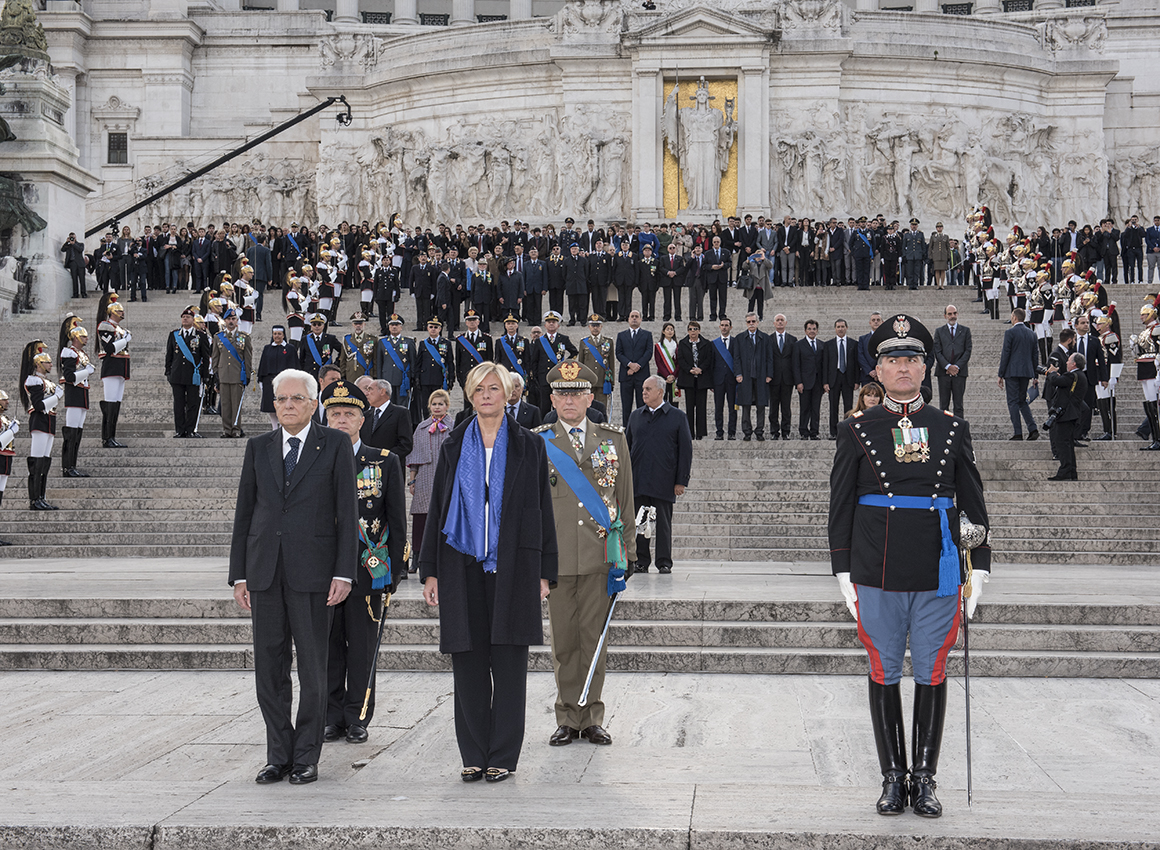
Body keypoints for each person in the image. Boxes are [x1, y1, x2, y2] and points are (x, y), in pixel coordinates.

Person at [828, 313, 991, 819]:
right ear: (876, 370)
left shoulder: (951, 427)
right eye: (893, 359)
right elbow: (841, 505)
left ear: (928, 368)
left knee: (932, 670)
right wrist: (841, 572)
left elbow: (973, 500)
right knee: (882, 669)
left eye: (913, 359)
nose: (903, 367)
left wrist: (979, 567)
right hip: (876, 567)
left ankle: (925, 778)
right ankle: (892, 778)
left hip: (938, 567)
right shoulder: (856, 428)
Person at [419, 362, 558, 783]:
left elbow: (541, 511)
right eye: (479, 388)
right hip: (461, 564)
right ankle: (473, 754)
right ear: (470, 394)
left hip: (514, 564)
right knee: (469, 661)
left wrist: (544, 571)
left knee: (510, 663)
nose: (486, 395)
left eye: (494, 388)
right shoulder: (453, 444)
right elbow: (438, 509)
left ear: (508, 393)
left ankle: (502, 754)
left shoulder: (529, 445)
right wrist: (430, 571)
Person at [229, 368, 358, 786]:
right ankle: (277, 754)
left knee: (314, 671)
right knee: (269, 669)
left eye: (296, 399)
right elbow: (245, 513)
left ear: (313, 403)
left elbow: (346, 513)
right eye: (281, 399)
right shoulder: (258, 447)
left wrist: (344, 571)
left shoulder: (334, 444)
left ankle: (306, 755)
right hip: (264, 573)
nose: (287, 405)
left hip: (315, 575)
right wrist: (239, 575)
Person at [536, 360, 636, 747]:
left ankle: (591, 716)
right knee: (564, 642)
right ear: (552, 399)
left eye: (577, 393)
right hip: (558, 557)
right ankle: (566, 716)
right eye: (562, 393)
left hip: (600, 556)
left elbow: (624, 499)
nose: (569, 400)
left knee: (594, 639)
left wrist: (625, 552)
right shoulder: (539, 440)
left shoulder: (613, 440)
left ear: (590, 397)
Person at [317, 380, 406, 745]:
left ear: (362, 418)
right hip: (322, 572)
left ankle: (358, 715)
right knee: (328, 647)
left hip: (368, 571)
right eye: (335, 413)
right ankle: (330, 716)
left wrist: (394, 574)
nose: (341, 419)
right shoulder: (313, 460)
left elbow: (397, 521)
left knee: (363, 647)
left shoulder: (384, 461)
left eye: (348, 413)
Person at [627, 375, 692, 574]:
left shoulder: (677, 416)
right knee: (640, 522)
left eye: (648, 389)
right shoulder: (636, 416)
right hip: (639, 479)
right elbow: (627, 447)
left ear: (660, 392)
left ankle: (664, 561)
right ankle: (641, 560)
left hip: (664, 480)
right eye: (643, 389)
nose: (643, 392)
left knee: (663, 525)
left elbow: (686, 451)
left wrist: (681, 481)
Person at [408, 388, 453, 565]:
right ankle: (417, 557)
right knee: (420, 517)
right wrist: (412, 480)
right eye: (434, 404)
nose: (437, 407)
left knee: (444, 515)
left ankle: (442, 555)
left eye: (440, 404)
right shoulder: (421, 427)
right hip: (425, 476)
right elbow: (414, 456)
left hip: (445, 475)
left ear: (447, 406)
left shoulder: (453, 427)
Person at [20, 341, 63, 510]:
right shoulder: (33, 381)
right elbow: (38, 405)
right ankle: (34, 499)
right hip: (39, 421)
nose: (51, 365)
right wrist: (56, 397)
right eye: (48, 362)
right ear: (39, 364)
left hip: (50, 421)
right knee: (37, 461)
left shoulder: (46, 381)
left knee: (45, 462)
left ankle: (41, 496)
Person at [165, 306, 212, 439]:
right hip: (177, 374)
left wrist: (206, 375)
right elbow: (169, 355)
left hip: (193, 375)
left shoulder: (200, 336)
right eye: (183, 317)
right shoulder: (174, 335)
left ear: (193, 320)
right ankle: (180, 430)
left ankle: (191, 430)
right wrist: (168, 371)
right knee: (178, 404)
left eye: (188, 317)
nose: (185, 319)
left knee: (193, 403)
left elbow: (205, 356)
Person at [57, 316, 95, 477]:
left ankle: (72, 464)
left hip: (82, 394)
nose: (87, 338)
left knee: (78, 432)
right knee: (71, 432)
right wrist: (87, 371)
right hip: (74, 394)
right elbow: (70, 376)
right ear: (76, 337)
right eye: (84, 336)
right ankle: (67, 466)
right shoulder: (69, 353)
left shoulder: (81, 353)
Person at [997, 308, 1040, 441]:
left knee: (1013, 402)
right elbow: (1035, 355)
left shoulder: (1010, 332)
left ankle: (1018, 432)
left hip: (1012, 371)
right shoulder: (1031, 334)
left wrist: (1000, 374)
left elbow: (1006, 353)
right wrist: (1035, 376)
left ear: (1015, 318)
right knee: (1022, 401)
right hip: (1027, 372)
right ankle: (1032, 428)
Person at [1045, 353, 1088, 481]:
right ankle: (1071, 471)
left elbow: (1055, 381)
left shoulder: (1073, 375)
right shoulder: (1079, 376)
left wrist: (1051, 373)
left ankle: (1064, 470)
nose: (1067, 363)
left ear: (1074, 364)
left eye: (1069, 361)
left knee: (1062, 443)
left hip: (1066, 414)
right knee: (1068, 443)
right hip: (1072, 414)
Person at [212, 309, 253, 439]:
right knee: (225, 404)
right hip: (223, 375)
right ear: (225, 321)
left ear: (237, 321)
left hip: (237, 375)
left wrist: (247, 375)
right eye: (228, 319)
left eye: (233, 319)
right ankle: (226, 429)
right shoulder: (218, 337)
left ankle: (236, 429)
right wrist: (216, 375)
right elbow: (215, 358)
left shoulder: (244, 337)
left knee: (236, 404)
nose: (231, 321)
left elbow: (248, 357)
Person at [96, 295, 131, 449]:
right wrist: (125, 340)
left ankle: (112, 436)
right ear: (112, 312)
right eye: (119, 310)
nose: (122, 313)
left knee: (116, 404)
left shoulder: (120, 329)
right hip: (111, 368)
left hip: (121, 368)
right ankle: (106, 437)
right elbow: (109, 348)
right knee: (110, 403)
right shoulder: (105, 326)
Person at [734, 313, 773, 441]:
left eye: (753, 321)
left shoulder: (765, 338)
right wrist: (738, 374)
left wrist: (769, 374)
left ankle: (760, 431)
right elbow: (737, 358)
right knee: (746, 405)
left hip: (761, 376)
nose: (751, 323)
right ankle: (747, 432)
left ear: (757, 322)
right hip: (745, 376)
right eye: (748, 321)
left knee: (761, 405)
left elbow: (769, 358)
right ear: (746, 323)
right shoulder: (740, 338)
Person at [355, 376, 413, 456]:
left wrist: (384, 456)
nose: (367, 393)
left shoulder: (400, 413)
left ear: (382, 392)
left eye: (370, 389)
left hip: (390, 465)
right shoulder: (366, 415)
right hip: (366, 465)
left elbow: (405, 445)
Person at [932, 305, 971, 419]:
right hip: (943, 373)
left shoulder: (965, 331)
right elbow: (937, 351)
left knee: (958, 405)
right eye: (950, 314)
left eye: (954, 313)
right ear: (945, 316)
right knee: (944, 406)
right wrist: (948, 366)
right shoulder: (939, 331)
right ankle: (944, 432)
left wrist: (957, 366)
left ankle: (959, 433)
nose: (952, 316)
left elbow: (968, 350)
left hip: (960, 372)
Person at [257, 325, 299, 430]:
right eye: (275, 334)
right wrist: (261, 381)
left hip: (285, 382)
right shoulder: (267, 348)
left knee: (284, 405)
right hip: (269, 382)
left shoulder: (290, 348)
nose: (277, 336)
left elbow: (295, 366)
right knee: (271, 406)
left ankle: (283, 426)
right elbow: (263, 365)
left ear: (283, 335)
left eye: (279, 334)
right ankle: (274, 427)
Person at [677, 321, 713, 440]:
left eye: (695, 329)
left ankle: (700, 433)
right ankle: (690, 433)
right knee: (689, 408)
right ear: (688, 331)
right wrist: (690, 370)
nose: (693, 331)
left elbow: (709, 358)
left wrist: (700, 369)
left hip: (702, 379)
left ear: (699, 330)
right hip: (688, 380)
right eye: (691, 329)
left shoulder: (706, 343)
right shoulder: (682, 343)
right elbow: (680, 359)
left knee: (701, 408)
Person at [615, 311, 652, 426]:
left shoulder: (647, 334)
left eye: (637, 317)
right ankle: (626, 431)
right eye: (632, 317)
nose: (634, 319)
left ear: (641, 319)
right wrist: (630, 364)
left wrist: (637, 366)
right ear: (628, 320)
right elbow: (619, 353)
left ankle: (642, 428)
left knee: (642, 405)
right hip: (626, 375)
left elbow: (649, 352)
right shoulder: (621, 335)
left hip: (642, 376)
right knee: (626, 406)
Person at [823, 318, 858, 439]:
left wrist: (857, 381)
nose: (840, 329)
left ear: (846, 328)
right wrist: (825, 382)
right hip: (834, 378)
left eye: (843, 326)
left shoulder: (854, 344)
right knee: (833, 406)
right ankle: (833, 432)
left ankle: (848, 432)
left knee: (848, 407)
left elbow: (856, 364)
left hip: (848, 378)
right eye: (838, 327)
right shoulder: (828, 344)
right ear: (835, 329)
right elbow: (825, 364)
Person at [577, 314, 615, 415]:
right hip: (588, 382)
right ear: (589, 327)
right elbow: (581, 363)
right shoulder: (584, 342)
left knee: (602, 408)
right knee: (588, 408)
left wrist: (612, 381)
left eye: (597, 325)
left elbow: (611, 363)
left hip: (603, 380)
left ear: (601, 327)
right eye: (593, 325)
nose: (595, 328)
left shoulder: (608, 342)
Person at [793, 319, 824, 440]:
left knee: (816, 408)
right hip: (804, 382)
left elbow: (824, 365)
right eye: (809, 329)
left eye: (814, 329)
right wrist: (798, 382)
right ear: (805, 330)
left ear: (817, 330)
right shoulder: (798, 345)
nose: (812, 331)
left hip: (818, 382)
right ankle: (804, 431)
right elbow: (795, 365)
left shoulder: (822, 345)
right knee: (805, 408)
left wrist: (824, 382)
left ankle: (814, 432)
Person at [711, 317, 738, 440]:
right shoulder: (714, 343)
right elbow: (711, 363)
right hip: (718, 381)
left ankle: (732, 432)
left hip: (732, 381)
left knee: (733, 408)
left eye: (727, 325)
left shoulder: (735, 342)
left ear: (731, 327)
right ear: (719, 327)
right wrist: (711, 382)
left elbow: (738, 361)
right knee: (718, 408)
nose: (724, 327)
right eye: (722, 325)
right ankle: (719, 432)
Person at [298, 313, 343, 380]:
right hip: (310, 373)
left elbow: (342, 350)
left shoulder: (330, 338)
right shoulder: (305, 339)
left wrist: (336, 364)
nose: (317, 326)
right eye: (314, 324)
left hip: (326, 372)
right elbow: (302, 358)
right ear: (311, 326)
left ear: (323, 326)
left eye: (319, 324)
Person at [341, 312, 379, 383]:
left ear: (364, 324)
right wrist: (342, 374)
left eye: (360, 323)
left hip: (366, 373)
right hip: (351, 374)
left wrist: (375, 374)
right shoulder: (347, 339)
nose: (358, 326)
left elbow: (375, 359)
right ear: (352, 325)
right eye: (356, 324)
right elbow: (343, 359)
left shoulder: (372, 339)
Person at [0, 390, 17, 542]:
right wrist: (11, 431)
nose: (7, 402)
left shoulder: (4, 418)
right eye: (4, 400)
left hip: (5, 461)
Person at [654, 322, 680, 405]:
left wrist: (674, 375)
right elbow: (658, 362)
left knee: (674, 400)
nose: (670, 331)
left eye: (671, 329)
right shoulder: (658, 346)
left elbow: (679, 362)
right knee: (663, 398)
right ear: (663, 331)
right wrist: (667, 376)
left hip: (674, 376)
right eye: (667, 329)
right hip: (663, 376)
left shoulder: (677, 346)